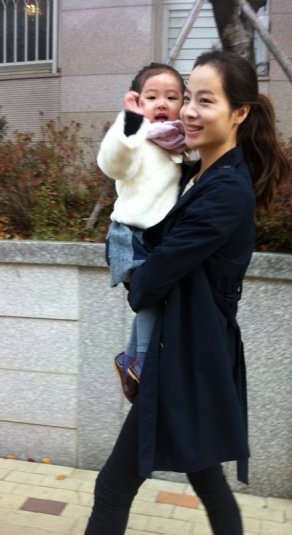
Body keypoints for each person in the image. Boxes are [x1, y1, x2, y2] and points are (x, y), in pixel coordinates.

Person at [85, 49, 289, 535]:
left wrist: (134, 276)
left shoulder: (225, 190)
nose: (190, 111)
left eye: (206, 100)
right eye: (189, 98)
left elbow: (153, 278)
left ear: (239, 113)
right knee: (207, 480)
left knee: (113, 488)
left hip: (186, 354)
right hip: (186, 349)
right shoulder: (196, 174)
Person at [97, 62, 188, 399]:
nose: (162, 103)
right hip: (131, 236)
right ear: (138, 102)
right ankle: (144, 362)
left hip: (157, 238)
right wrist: (130, 123)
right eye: (152, 97)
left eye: (172, 97)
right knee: (151, 295)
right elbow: (112, 162)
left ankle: (130, 359)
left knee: (154, 298)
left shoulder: (179, 143)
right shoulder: (137, 141)